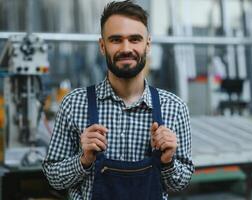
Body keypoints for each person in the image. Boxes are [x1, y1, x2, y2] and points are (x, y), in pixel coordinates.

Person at [42, 0, 194, 199]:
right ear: (102, 46)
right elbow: (53, 177)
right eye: (116, 40)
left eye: (134, 39)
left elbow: (181, 182)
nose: (125, 48)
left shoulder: (174, 108)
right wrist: (83, 160)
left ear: (147, 44)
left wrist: (168, 161)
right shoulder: (74, 104)